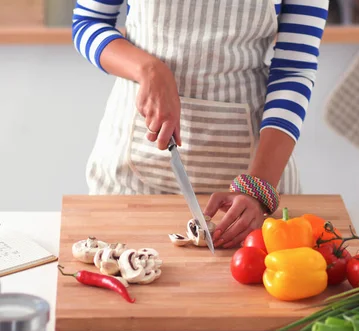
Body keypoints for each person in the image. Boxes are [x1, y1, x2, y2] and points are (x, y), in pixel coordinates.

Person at [72, 0, 329, 248]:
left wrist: (258, 187)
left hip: (252, 176)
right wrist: (149, 70)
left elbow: (294, 69)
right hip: (130, 177)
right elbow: (88, 22)